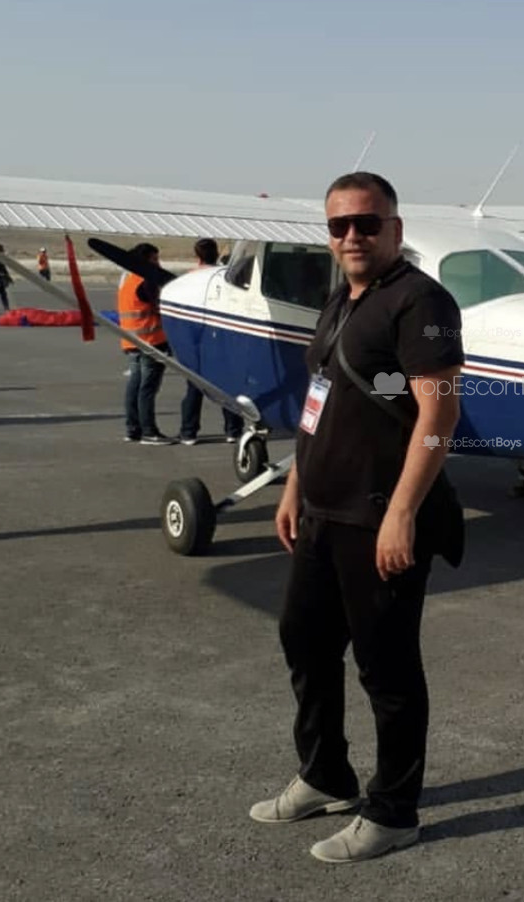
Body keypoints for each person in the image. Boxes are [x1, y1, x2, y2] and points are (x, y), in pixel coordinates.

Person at [250, 171, 464, 863]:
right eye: (339, 225)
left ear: (394, 230)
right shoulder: (342, 299)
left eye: (367, 223)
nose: (352, 236)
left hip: (378, 516)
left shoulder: (422, 301)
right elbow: (322, 394)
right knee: (304, 641)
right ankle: (325, 775)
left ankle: (394, 812)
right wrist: (294, 483)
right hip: (322, 510)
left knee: (387, 669)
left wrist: (403, 512)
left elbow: (439, 413)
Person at [178, 238, 243, 445]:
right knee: (227, 388)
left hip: (195, 339)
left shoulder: (189, 277)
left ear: (197, 255)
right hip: (220, 338)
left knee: (194, 388)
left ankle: (188, 432)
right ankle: (233, 430)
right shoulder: (225, 276)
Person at [118, 243, 174, 444]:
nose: (158, 263)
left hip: (131, 340)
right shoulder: (146, 281)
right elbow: (159, 307)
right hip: (150, 342)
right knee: (147, 389)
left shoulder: (127, 279)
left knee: (134, 386)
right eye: (154, 259)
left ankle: (133, 428)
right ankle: (149, 431)